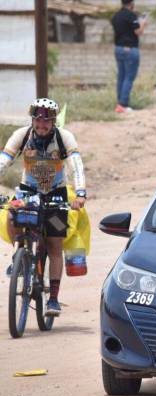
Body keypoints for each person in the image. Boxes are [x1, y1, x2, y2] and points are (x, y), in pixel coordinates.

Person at [0, 99, 87, 316]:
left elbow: (76, 165)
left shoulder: (64, 138)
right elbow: (4, 160)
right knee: (11, 216)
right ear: (32, 120)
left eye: (46, 121)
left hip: (56, 194)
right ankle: (20, 255)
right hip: (28, 192)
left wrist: (80, 193)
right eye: (38, 121)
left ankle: (53, 300)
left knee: (55, 244)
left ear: (53, 121)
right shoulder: (22, 135)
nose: (41, 125)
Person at [111, 0, 147, 114]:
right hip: (130, 49)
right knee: (129, 77)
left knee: (121, 77)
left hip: (118, 49)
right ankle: (123, 104)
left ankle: (119, 104)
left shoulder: (115, 16)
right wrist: (143, 23)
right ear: (131, 3)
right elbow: (138, 31)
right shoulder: (131, 16)